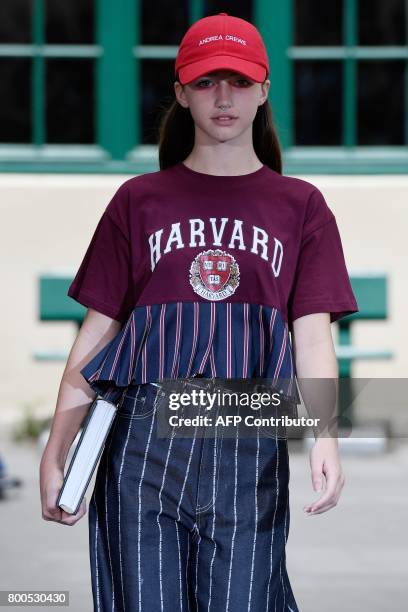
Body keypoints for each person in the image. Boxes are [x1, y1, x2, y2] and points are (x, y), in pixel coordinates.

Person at [39, 12, 359, 611]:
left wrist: (325, 436)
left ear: (264, 90)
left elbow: (312, 337)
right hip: (141, 445)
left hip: (247, 441)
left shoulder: (301, 207)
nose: (224, 97)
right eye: (207, 81)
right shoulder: (138, 201)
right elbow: (96, 336)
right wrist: (58, 448)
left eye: (238, 81)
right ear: (182, 94)